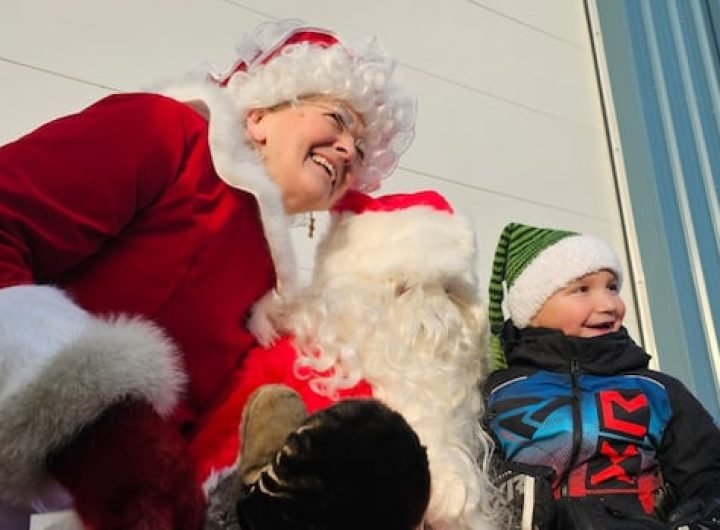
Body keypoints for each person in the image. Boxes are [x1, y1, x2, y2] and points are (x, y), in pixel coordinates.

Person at [0, 18, 415, 530]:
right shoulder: (165, 134)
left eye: (361, 151)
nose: (349, 150)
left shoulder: (269, 290)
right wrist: (100, 426)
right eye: (337, 118)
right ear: (260, 114)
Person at [192, 189, 502, 530]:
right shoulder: (288, 364)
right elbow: (214, 468)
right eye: (403, 288)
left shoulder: (452, 409)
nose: (435, 314)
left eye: (448, 291)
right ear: (350, 297)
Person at [482, 222, 720, 529]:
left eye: (612, 287)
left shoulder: (657, 390)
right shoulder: (498, 392)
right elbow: (463, 475)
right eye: (581, 289)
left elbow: (707, 473)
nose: (609, 304)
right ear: (533, 309)